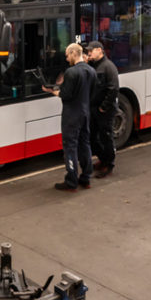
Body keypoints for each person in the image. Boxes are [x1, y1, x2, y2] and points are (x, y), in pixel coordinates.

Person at [43, 43, 96, 191]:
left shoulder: (71, 72)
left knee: (70, 146)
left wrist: (52, 91)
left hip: (71, 115)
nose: (66, 59)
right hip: (85, 112)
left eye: (67, 55)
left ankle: (71, 181)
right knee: (85, 144)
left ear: (73, 53)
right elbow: (91, 93)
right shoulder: (91, 71)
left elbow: (66, 95)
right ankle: (86, 178)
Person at [86, 41, 119, 178]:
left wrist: (103, 107)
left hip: (104, 110)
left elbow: (113, 89)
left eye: (91, 51)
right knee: (92, 137)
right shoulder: (93, 65)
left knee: (106, 137)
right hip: (93, 108)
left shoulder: (108, 66)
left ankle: (109, 165)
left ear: (99, 50)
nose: (89, 53)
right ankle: (103, 159)